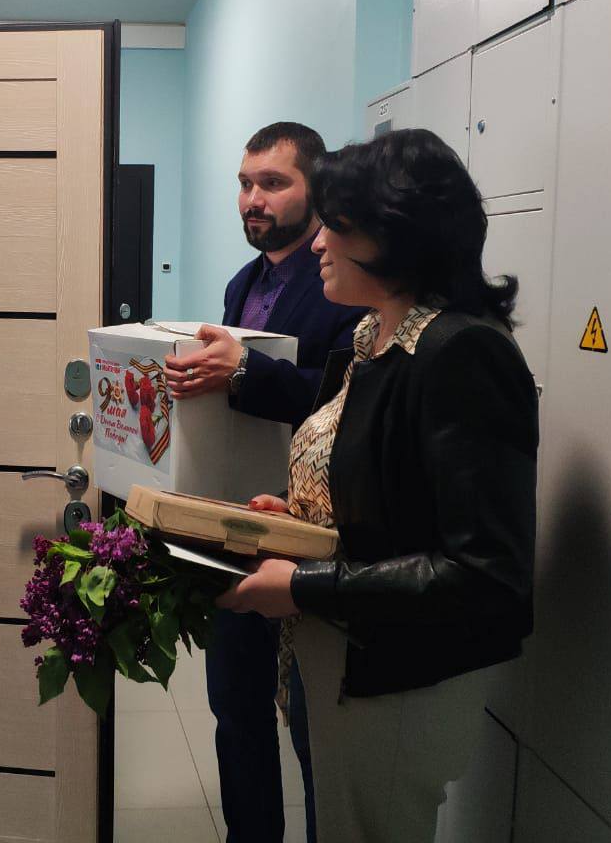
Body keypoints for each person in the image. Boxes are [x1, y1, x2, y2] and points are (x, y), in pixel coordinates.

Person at [218, 128, 538, 842]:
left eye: (337, 224)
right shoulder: (372, 339)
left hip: (397, 673)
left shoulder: (462, 352)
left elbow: (486, 573)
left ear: (394, 236)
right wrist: (295, 519)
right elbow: (384, 490)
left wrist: (302, 585)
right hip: (342, 652)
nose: (320, 242)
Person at [164, 122, 363, 842]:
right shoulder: (242, 284)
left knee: (312, 733)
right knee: (236, 709)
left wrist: (246, 372)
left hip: (314, 530)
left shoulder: (345, 284)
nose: (253, 199)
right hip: (241, 519)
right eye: (246, 184)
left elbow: (345, 403)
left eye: (274, 184)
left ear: (317, 188)